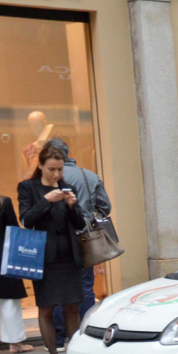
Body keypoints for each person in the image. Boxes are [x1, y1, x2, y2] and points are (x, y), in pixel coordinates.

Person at [18, 145, 86, 354]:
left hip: (70, 257)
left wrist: (72, 206)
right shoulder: (28, 187)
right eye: (51, 169)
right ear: (40, 166)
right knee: (46, 308)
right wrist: (46, 200)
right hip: (45, 258)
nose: (56, 175)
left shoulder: (68, 187)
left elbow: (79, 224)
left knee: (72, 307)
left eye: (59, 169)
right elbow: (26, 219)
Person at [45, 139, 110, 339]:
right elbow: (105, 208)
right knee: (85, 286)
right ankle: (86, 334)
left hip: (56, 240)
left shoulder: (46, 178)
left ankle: (61, 334)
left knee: (57, 288)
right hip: (84, 239)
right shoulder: (88, 175)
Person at [0, 173, 32, 353]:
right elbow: (13, 231)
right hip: (2, 257)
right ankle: (15, 343)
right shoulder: (3, 202)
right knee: (9, 302)